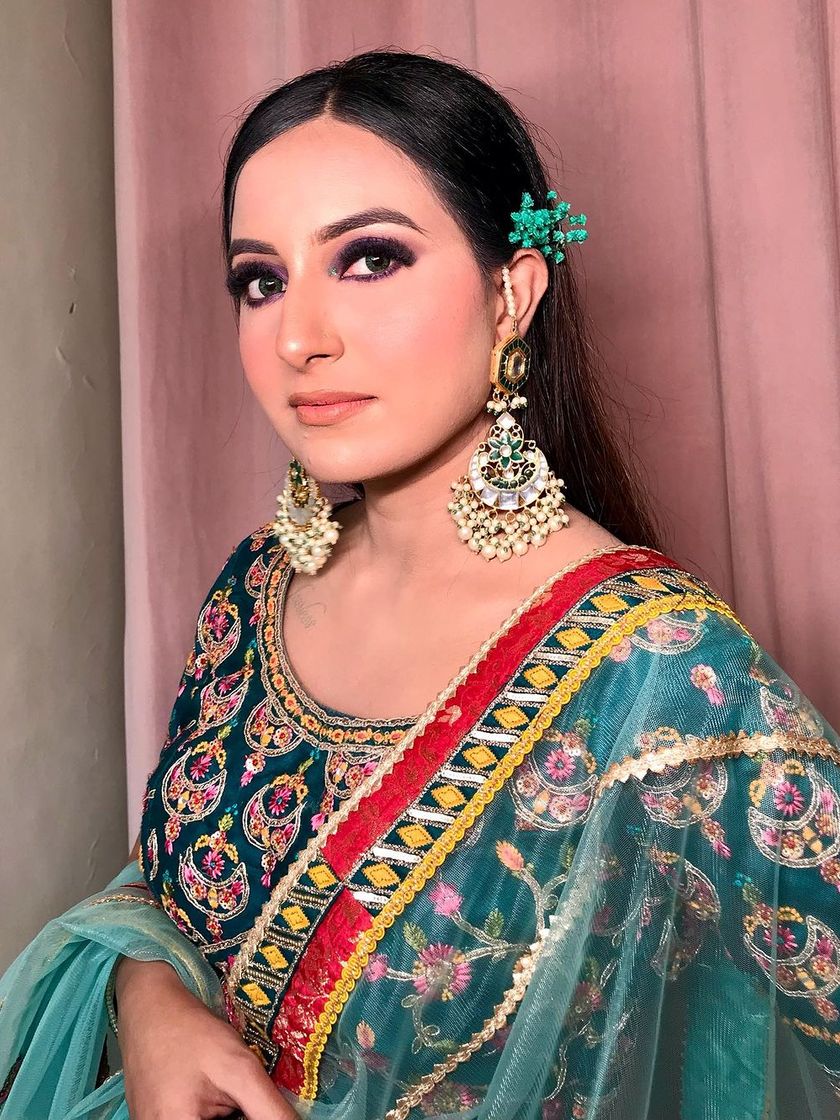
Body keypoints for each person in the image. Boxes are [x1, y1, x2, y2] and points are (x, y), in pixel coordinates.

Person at [1, 47, 838, 1120]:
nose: (298, 337)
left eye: (369, 259)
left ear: (511, 293)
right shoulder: (257, 589)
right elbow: (160, 881)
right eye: (261, 280)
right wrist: (150, 994)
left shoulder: (663, 674)